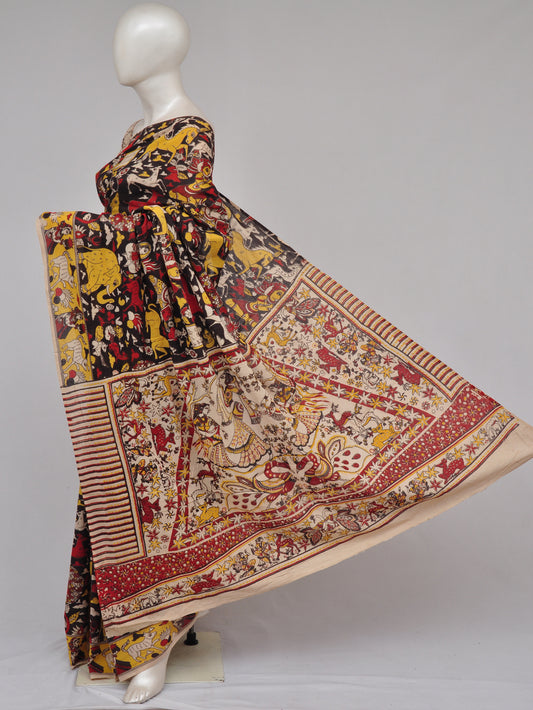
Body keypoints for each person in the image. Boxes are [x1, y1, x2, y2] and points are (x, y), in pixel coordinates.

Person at [38, 2, 533, 704]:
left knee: (193, 475)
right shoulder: (136, 135)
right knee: (139, 479)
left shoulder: (188, 130)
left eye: (137, 40)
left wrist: (78, 233)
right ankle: (143, 627)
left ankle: (160, 639)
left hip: (184, 334)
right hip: (137, 342)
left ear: (166, 50)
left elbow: (191, 228)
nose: (122, 52)